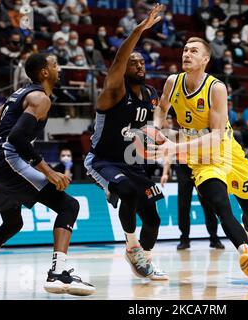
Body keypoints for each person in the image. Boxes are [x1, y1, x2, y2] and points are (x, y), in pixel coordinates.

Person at [0, 53, 95, 295]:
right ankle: (58, 274)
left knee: (12, 223)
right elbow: (18, 138)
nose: (59, 68)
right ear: (44, 72)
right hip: (6, 160)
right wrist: (48, 171)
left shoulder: (17, 95)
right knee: (68, 205)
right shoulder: (40, 98)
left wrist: (2, 148)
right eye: (55, 65)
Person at [152, 37, 248, 284]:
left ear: (205, 59)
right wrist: (156, 129)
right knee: (220, 205)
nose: (186, 53)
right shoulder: (172, 82)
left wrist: (176, 146)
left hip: (228, 151)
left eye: (193, 51)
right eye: (184, 49)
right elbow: (162, 109)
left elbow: (216, 136)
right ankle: (245, 255)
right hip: (201, 159)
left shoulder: (216, 87)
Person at [83, 4, 168, 281]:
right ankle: (132, 247)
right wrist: (139, 29)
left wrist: (159, 137)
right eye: (134, 62)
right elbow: (120, 59)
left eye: (142, 62)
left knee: (154, 218)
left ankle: (145, 259)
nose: (139, 65)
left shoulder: (151, 93)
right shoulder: (114, 90)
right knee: (128, 192)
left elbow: (150, 127)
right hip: (103, 160)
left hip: (133, 163)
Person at [160, 138, 225, 250]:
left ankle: (214, 238)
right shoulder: (177, 131)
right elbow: (170, 152)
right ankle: (184, 239)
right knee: (183, 205)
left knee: (208, 204)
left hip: (200, 167)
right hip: (183, 169)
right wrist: (165, 172)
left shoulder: (199, 128)